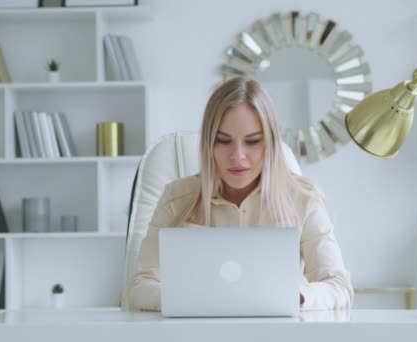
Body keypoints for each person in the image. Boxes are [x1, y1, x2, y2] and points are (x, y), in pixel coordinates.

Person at [130, 77, 353, 311]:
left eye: (252, 142)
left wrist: (295, 296)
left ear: (271, 144)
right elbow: (140, 286)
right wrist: (187, 298)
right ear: (208, 144)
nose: (237, 156)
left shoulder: (304, 199)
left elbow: (339, 286)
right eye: (223, 141)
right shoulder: (177, 198)